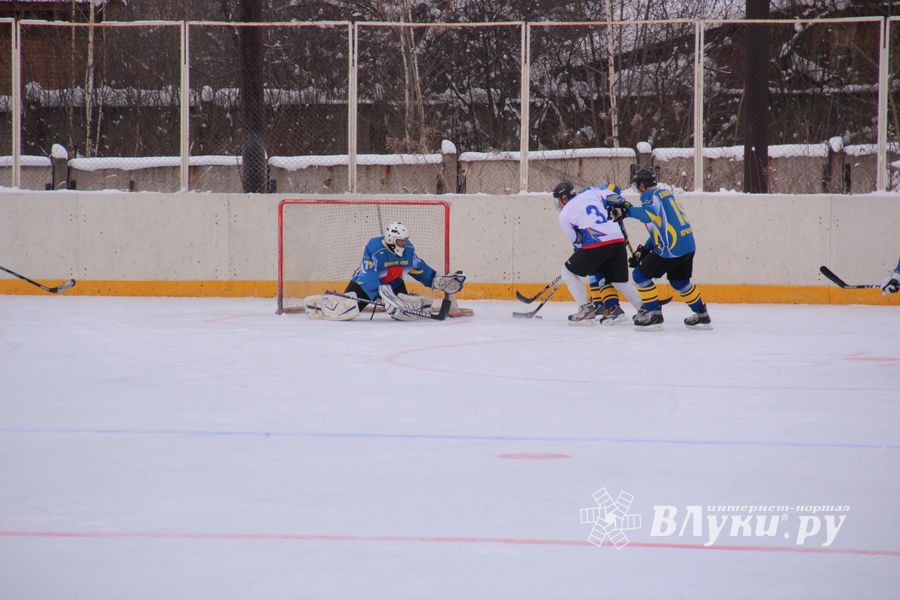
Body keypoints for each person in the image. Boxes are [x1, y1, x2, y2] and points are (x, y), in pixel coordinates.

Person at [608, 167, 711, 329]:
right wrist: (644, 250)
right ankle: (702, 314)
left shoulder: (649, 195)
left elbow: (647, 214)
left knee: (639, 276)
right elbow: (662, 228)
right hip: (687, 245)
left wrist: (626, 212)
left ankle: (653, 312)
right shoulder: (666, 195)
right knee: (680, 282)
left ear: (642, 186)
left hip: (672, 248)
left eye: (637, 186)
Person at [304, 222, 465, 321]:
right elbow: (368, 274)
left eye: (405, 239)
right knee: (347, 311)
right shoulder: (375, 248)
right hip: (365, 285)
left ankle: (412, 303)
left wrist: (435, 281)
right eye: (401, 240)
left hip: (393, 283)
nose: (404, 242)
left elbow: (418, 268)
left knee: (402, 314)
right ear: (391, 240)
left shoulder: (408, 250)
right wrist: (381, 293)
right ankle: (325, 304)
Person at [552, 181, 642, 324]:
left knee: (567, 272)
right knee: (620, 281)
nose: (558, 204)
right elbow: (614, 197)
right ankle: (644, 310)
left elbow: (577, 240)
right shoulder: (591, 193)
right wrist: (623, 207)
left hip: (596, 243)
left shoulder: (564, 215)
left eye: (558, 200)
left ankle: (586, 310)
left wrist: (582, 259)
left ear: (563, 198)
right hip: (618, 239)